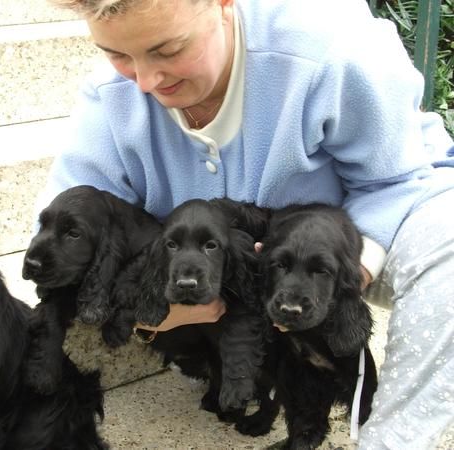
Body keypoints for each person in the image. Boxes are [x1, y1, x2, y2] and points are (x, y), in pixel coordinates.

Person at [35, 0, 454, 448]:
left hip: (366, 221)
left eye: (169, 49)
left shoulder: (334, 48)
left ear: (223, 4)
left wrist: (347, 275)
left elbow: (396, 178)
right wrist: (149, 309)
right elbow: (63, 228)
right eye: (117, 54)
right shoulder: (108, 97)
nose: (144, 81)